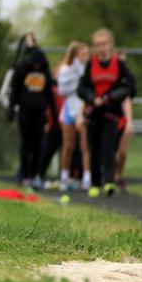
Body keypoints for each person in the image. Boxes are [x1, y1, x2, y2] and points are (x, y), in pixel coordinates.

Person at [77, 29, 136, 195]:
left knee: (108, 147)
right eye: (98, 45)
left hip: (112, 113)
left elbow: (128, 89)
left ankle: (109, 181)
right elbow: (82, 88)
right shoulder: (91, 64)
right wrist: (92, 98)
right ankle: (95, 183)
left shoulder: (119, 65)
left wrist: (111, 97)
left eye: (104, 44)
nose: (101, 48)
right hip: (94, 114)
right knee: (94, 148)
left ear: (110, 44)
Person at [10, 45, 57, 189]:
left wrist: (54, 114)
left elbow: (50, 95)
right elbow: (15, 91)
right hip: (25, 112)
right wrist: (11, 109)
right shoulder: (22, 70)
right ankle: (24, 175)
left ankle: (35, 175)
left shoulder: (45, 73)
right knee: (26, 144)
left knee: (38, 145)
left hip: (40, 113)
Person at [55, 41, 91, 190]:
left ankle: (87, 179)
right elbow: (62, 90)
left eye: (87, 54)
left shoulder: (88, 69)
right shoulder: (66, 69)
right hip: (69, 109)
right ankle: (64, 177)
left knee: (85, 146)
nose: (86, 57)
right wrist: (76, 83)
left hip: (83, 110)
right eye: (82, 54)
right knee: (68, 146)